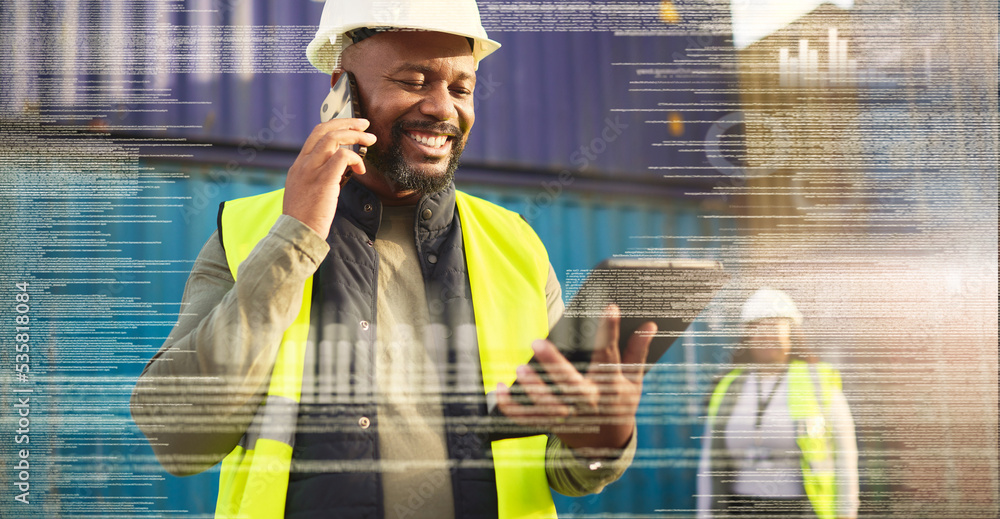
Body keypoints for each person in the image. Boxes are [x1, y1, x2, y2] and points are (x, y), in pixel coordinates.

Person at [130, 1, 656, 518]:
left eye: (461, 88)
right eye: (413, 80)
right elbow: (180, 440)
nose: (443, 108)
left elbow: (555, 470)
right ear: (343, 90)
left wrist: (599, 446)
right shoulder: (246, 233)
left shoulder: (516, 245)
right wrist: (296, 237)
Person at [696, 288, 859, 519]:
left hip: (801, 510)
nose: (766, 337)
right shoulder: (726, 386)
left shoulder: (819, 383)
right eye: (758, 329)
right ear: (747, 337)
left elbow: (845, 457)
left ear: (791, 334)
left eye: (774, 328)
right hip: (739, 509)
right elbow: (708, 462)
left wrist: (847, 512)